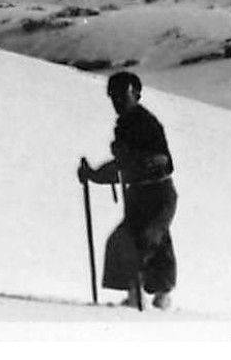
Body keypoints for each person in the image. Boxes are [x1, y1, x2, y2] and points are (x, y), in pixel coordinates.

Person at [78, 71, 177, 311]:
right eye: (113, 96)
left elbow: (161, 160)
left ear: (136, 95)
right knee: (141, 241)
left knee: (144, 240)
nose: (117, 102)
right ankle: (151, 297)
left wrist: (130, 160)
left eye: (122, 96)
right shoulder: (124, 126)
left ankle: (147, 298)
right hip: (139, 195)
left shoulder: (147, 124)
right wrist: (94, 175)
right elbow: (123, 166)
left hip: (157, 194)